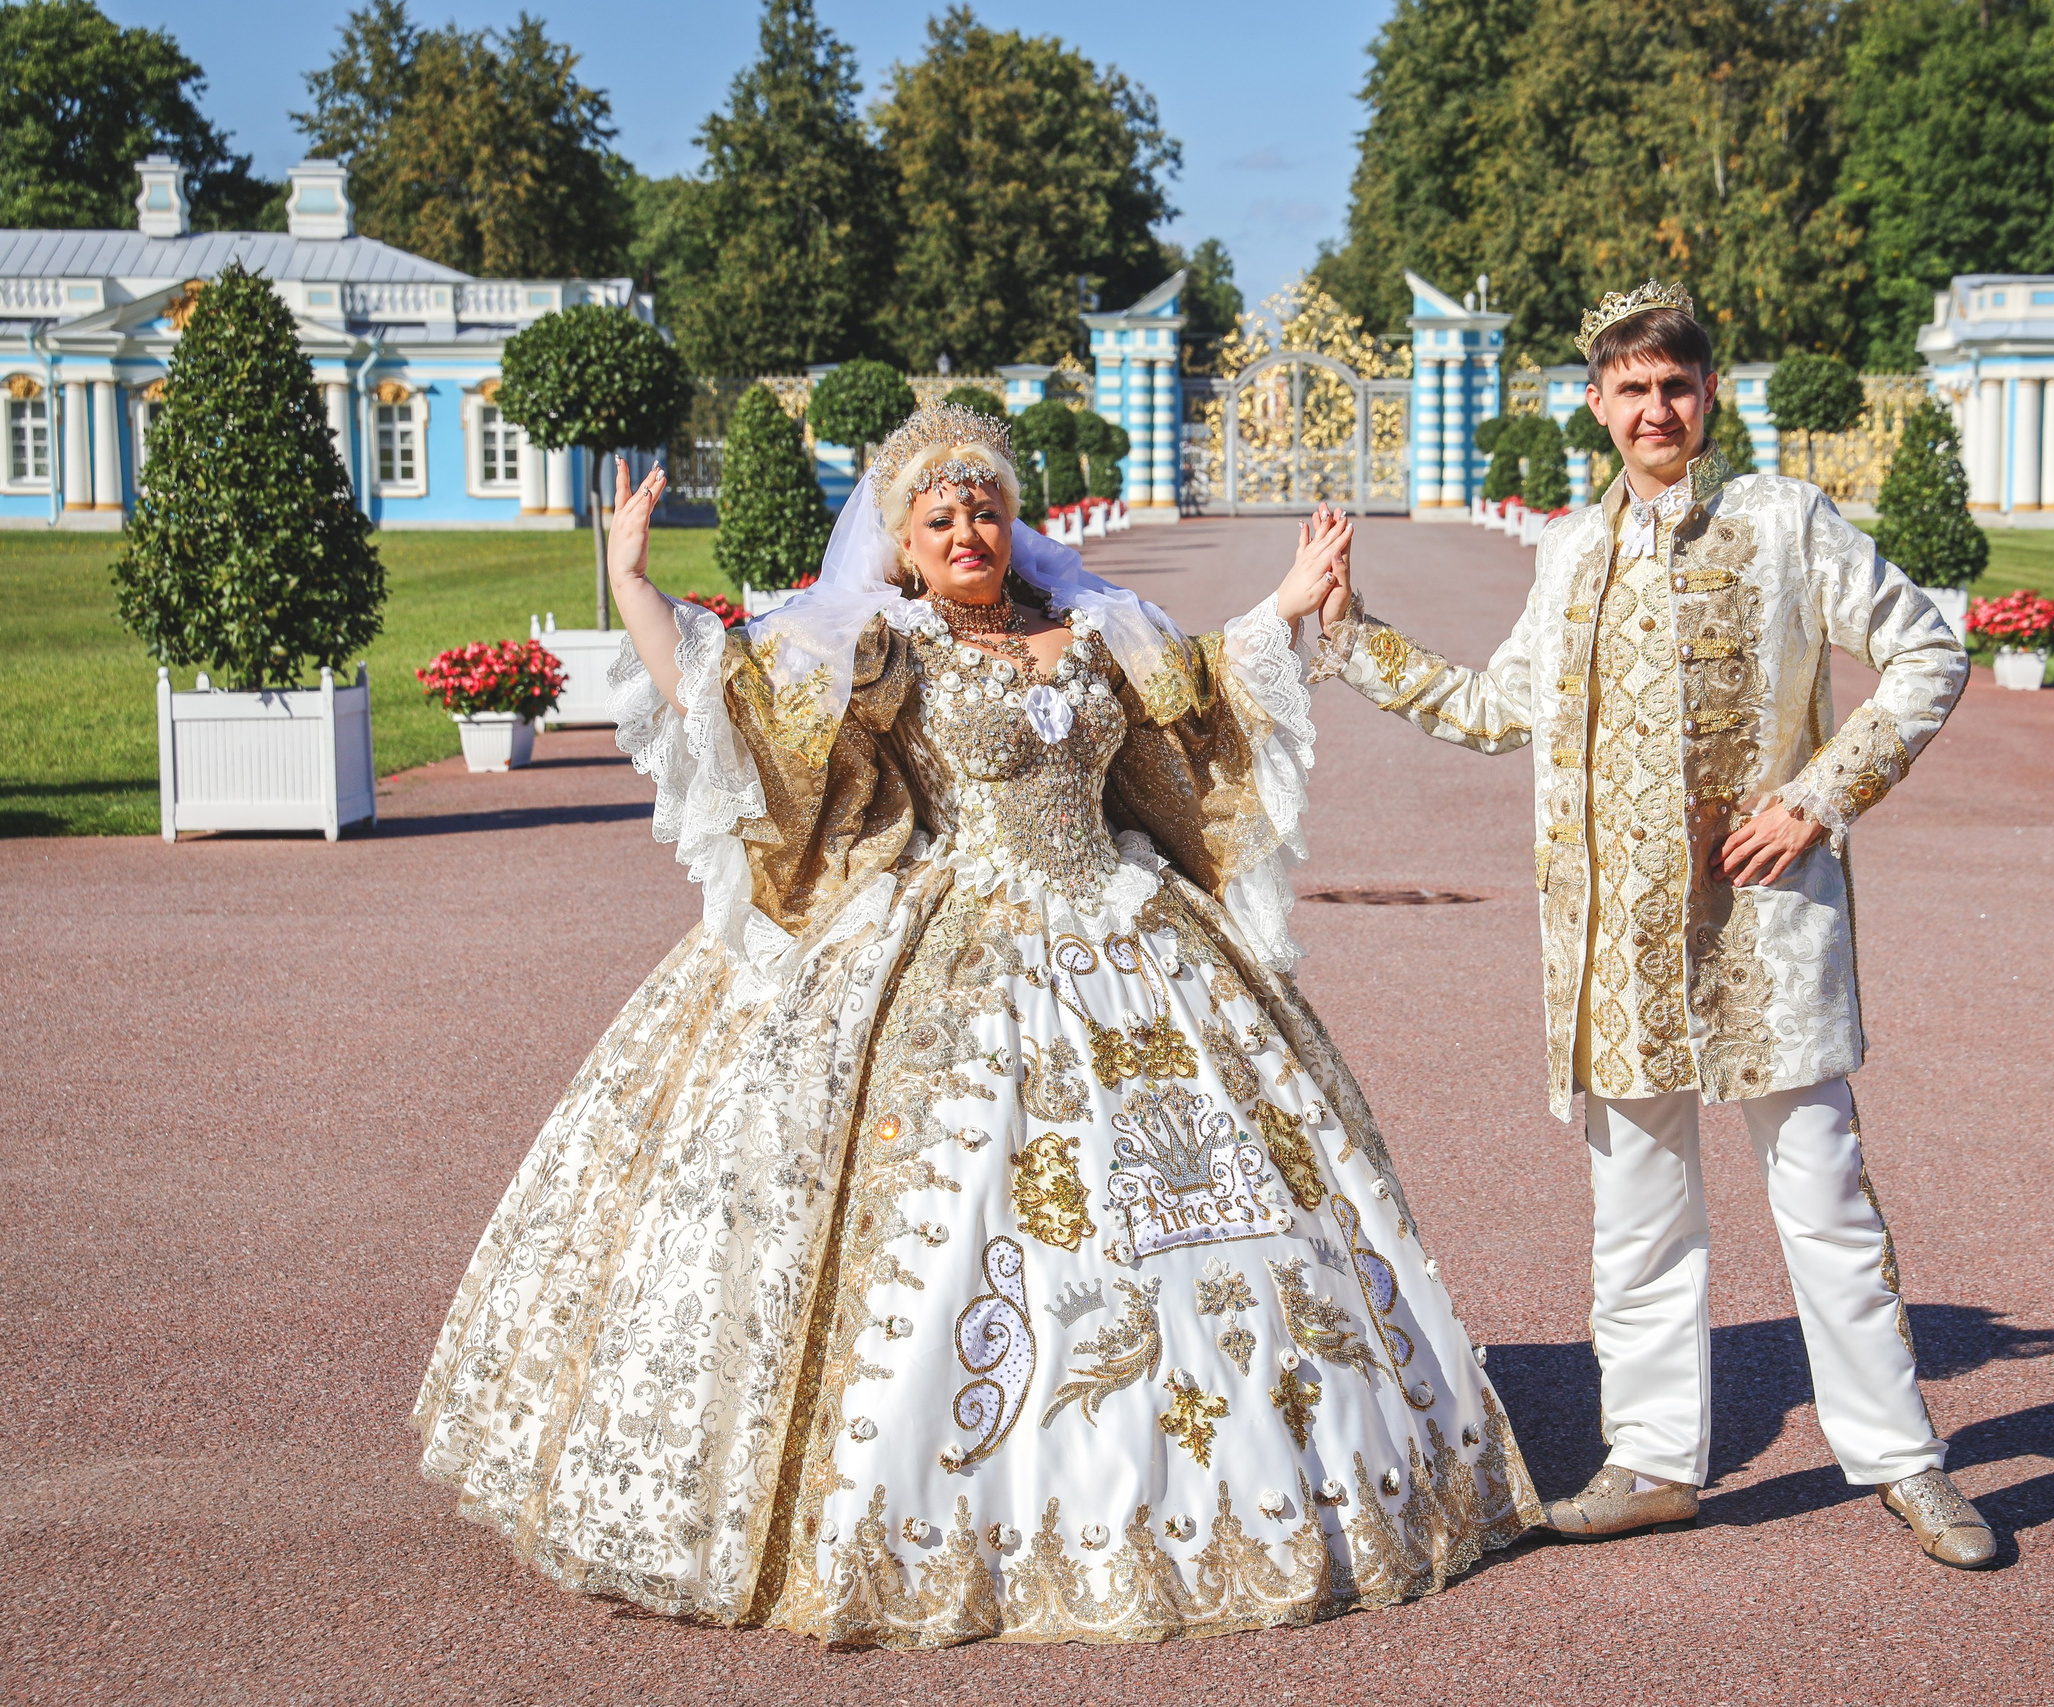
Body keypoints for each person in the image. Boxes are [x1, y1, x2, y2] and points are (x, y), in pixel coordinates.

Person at [412, 403, 1540, 1648]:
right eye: (940, 517)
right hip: (963, 943)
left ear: (1015, 525)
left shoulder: (1097, 634)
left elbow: (1205, 701)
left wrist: (1289, 595)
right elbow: (735, 707)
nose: (967, 531)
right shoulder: (887, 651)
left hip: (1135, 936)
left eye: (986, 511)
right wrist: (630, 583)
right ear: (899, 542)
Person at [1314, 282, 1996, 1567]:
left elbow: (1927, 652)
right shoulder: (1572, 550)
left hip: (1759, 925)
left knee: (1825, 1202)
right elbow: (1494, 705)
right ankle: (1652, 1462)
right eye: (1629, 390)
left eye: (1673, 386)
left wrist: (1816, 795)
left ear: (1708, 395)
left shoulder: (1787, 521)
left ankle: (1904, 1461)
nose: (1653, 410)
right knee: (1637, 1214)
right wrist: (1350, 638)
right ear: (1596, 406)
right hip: (1612, 950)